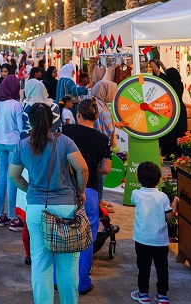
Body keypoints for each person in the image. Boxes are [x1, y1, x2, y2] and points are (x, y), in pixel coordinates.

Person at [9, 102, 88, 304]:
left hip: (37, 209)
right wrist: (80, 190)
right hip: (66, 209)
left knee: (41, 264)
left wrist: (31, 191)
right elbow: (82, 168)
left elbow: (14, 176)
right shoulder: (65, 142)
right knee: (68, 265)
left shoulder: (22, 145)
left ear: (30, 121)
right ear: (52, 120)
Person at [62, 99, 112, 295]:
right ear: (96, 117)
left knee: (62, 234)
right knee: (86, 239)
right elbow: (106, 169)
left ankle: (59, 279)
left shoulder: (66, 132)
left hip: (65, 189)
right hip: (89, 192)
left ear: (78, 114)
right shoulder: (102, 139)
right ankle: (82, 283)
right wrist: (92, 168)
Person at [130, 161, 176, 304]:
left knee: (143, 267)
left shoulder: (136, 194)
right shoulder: (163, 197)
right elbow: (170, 216)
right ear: (160, 179)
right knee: (162, 268)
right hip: (160, 240)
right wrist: (175, 203)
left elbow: (135, 203)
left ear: (137, 177)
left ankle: (143, 294)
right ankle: (162, 295)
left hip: (142, 239)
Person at [0, 75, 24, 230]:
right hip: (13, 144)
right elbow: (21, 126)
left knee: (1, 176)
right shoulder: (16, 105)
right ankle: (12, 216)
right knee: (12, 178)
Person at [151, 61, 187, 160]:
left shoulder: (170, 82)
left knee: (170, 135)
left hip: (174, 111)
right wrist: (162, 64)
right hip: (181, 111)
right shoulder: (178, 83)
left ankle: (171, 155)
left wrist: (151, 62)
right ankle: (177, 155)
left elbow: (158, 72)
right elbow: (167, 73)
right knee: (178, 135)